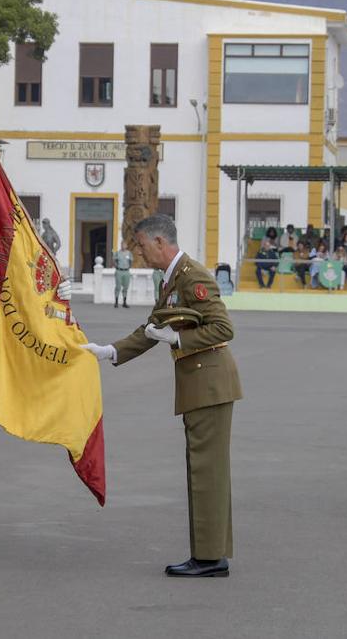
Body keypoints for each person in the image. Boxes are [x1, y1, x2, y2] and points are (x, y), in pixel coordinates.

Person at [84, 214, 241, 578]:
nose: (138, 252)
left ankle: (209, 558)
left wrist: (180, 339)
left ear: (159, 242)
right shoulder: (173, 278)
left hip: (211, 384)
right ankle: (209, 553)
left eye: (140, 245)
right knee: (203, 470)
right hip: (201, 384)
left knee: (207, 471)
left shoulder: (193, 276)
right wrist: (111, 351)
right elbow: (153, 328)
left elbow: (223, 327)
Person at [112, 241, 133, 308]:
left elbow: (131, 261)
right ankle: (116, 302)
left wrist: (129, 267)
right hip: (119, 271)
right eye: (122, 245)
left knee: (126, 287)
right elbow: (114, 260)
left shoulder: (129, 253)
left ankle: (124, 302)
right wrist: (116, 266)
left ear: (126, 246)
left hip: (126, 271)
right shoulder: (118, 253)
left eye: (124, 245)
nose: (123, 246)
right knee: (118, 287)